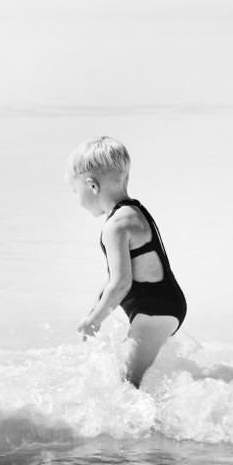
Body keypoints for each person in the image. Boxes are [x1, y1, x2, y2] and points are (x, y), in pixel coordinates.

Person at [66, 136, 186, 388]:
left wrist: (95, 320)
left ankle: (158, 428)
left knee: (126, 387)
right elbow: (114, 278)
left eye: (75, 191)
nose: (77, 200)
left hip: (154, 313)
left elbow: (121, 283)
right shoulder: (133, 212)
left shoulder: (117, 225)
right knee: (132, 378)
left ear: (92, 186)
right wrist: (96, 308)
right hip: (162, 308)